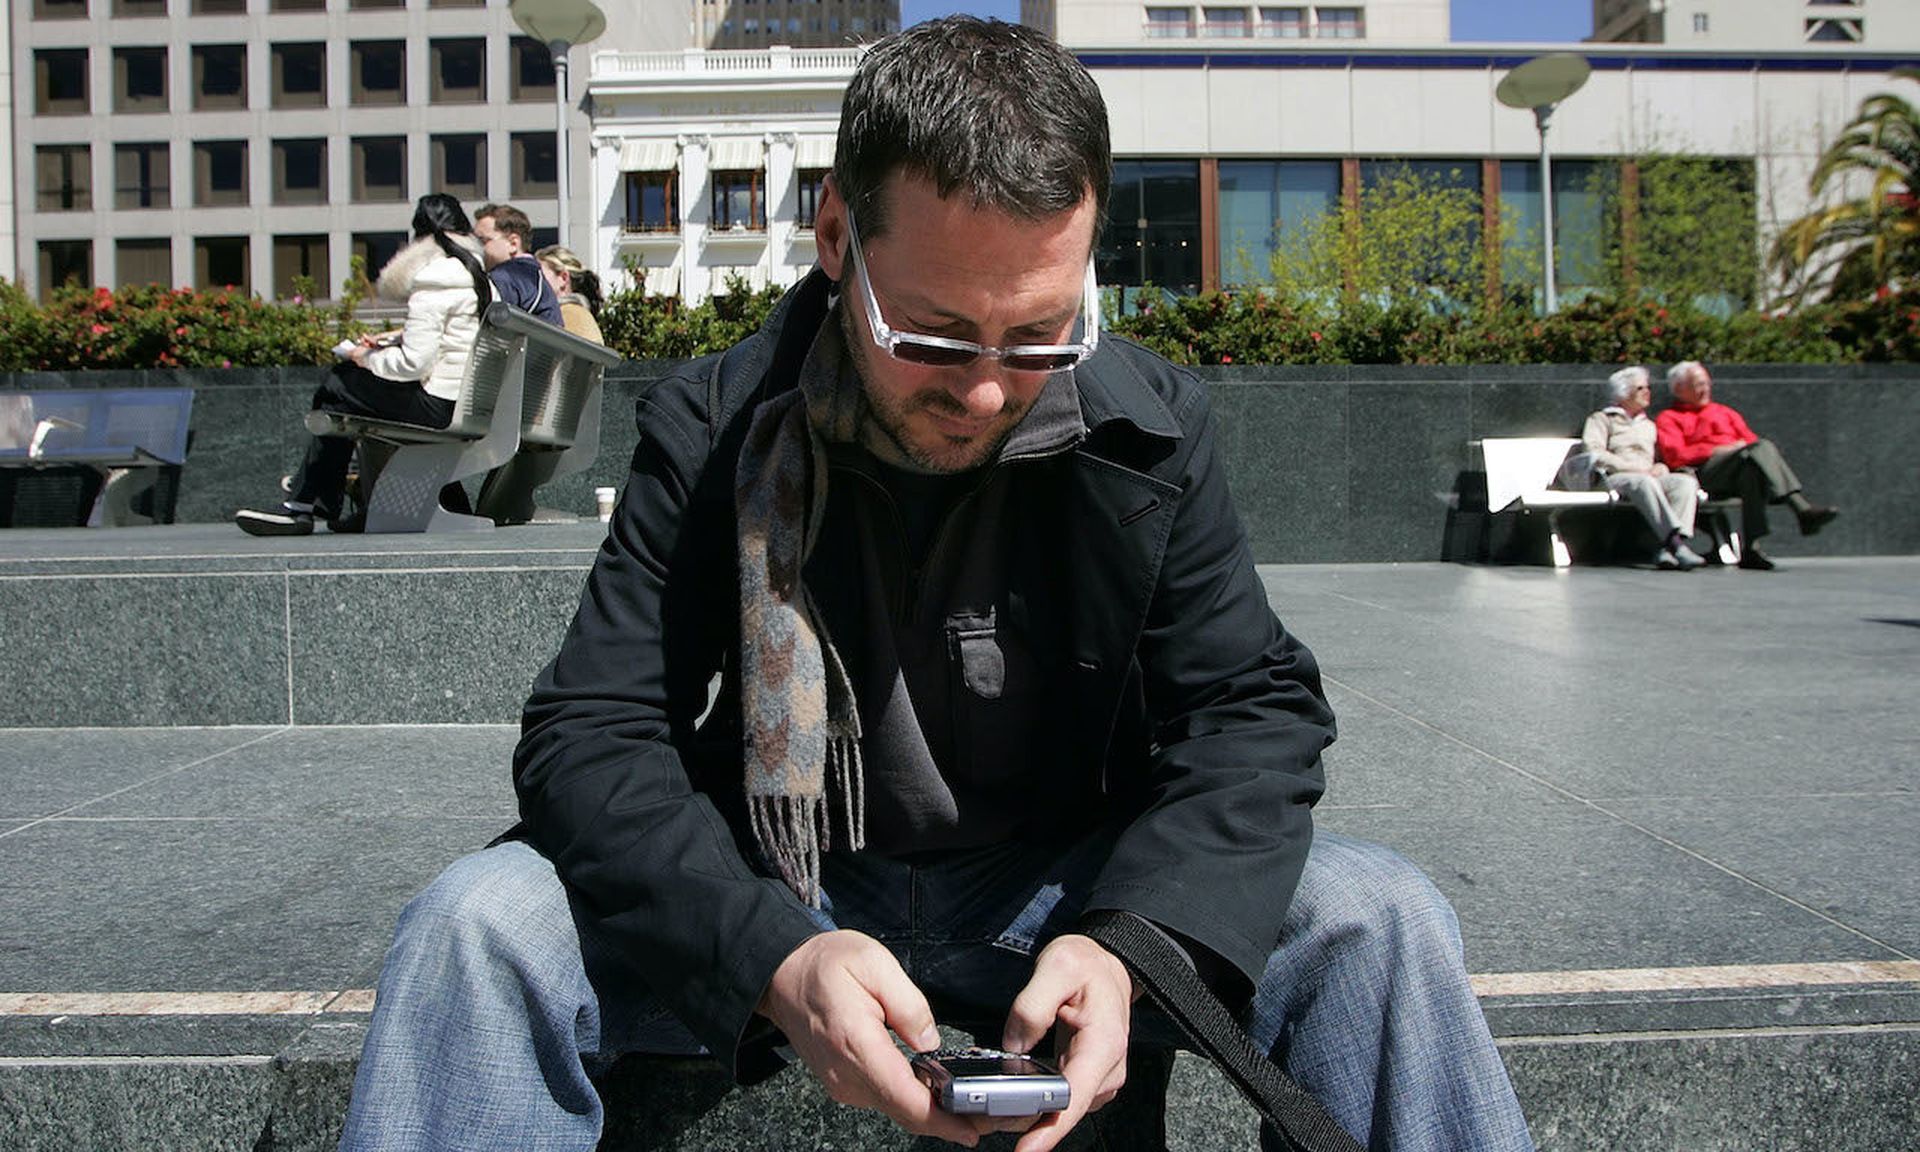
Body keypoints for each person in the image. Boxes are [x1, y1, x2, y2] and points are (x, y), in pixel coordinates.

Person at [337, 19, 1533, 1152]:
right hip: (777, 882)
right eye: (936, 337)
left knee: (1379, 914)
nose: (986, 391)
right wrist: (770, 954)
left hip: (1070, 886)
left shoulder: (1150, 427)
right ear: (836, 237)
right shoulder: (715, 425)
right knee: (477, 925)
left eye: (1043, 337)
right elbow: (592, 730)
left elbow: (1249, 713)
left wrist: (1135, 943)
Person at [234, 193, 490, 537]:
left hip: (440, 407)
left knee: (339, 384)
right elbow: (452, 342)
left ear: (419, 235)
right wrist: (391, 344)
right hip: (467, 401)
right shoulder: (475, 272)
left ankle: (304, 504)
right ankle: (310, 502)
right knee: (344, 393)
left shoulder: (435, 276)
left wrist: (364, 357)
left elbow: (415, 363)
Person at [1655, 360, 1838, 571]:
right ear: (1679, 389)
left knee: (1752, 469)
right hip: (1704, 472)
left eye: (1707, 383)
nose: (1705, 389)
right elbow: (1675, 456)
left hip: (1738, 466)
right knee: (1759, 451)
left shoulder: (1725, 412)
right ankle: (1800, 508)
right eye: (1698, 384)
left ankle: (1751, 549)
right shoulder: (1670, 418)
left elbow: (1753, 445)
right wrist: (1716, 450)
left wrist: (1737, 450)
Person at [1580, 367, 1707, 570]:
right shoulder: (1602, 419)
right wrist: (1632, 468)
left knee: (1684, 483)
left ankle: (1669, 548)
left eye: (1648, 387)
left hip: (1647, 477)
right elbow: (1594, 453)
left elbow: (1658, 458)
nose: (1647, 392)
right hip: (1615, 478)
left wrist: (1660, 467)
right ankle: (1676, 545)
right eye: (1640, 388)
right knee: (1643, 481)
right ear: (1623, 392)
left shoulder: (1648, 424)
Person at [473, 202, 563, 326]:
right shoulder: (532, 275)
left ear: (513, 243)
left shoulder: (505, 277)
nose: (475, 247)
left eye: (482, 240)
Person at [533, 244, 605, 344]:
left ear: (563, 278)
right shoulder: (577, 313)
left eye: (540, 276)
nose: (532, 282)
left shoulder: (567, 315)